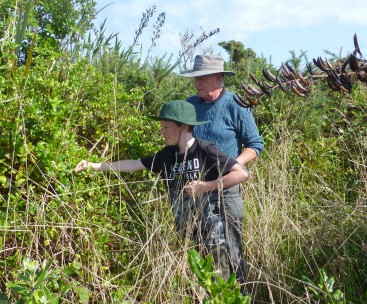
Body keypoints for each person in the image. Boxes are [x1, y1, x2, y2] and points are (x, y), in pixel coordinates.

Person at [74, 100, 250, 279]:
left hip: (214, 231)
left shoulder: (205, 150)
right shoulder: (167, 155)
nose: (161, 132)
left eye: (166, 127)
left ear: (183, 126)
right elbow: (135, 164)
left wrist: (205, 187)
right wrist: (94, 166)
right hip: (189, 231)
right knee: (202, 281)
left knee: (222, 281)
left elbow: (241, 173)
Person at [180, 54, 264, 286]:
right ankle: (209, 295)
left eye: (202, 78)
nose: (197, 83)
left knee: (231, 247)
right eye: (195, 78)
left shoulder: (236, 104)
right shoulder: (189, 106)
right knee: (202, 248)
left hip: (227, 190)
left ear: (218, 78)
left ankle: (239, 294)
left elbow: (255, 145)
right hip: (194, 189)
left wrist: (232, 168)